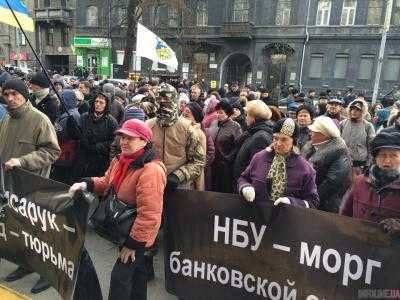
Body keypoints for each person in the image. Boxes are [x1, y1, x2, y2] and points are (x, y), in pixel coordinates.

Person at [69, 119, 166, 300]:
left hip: (137, 235)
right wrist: (86, 184)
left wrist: (132, 245)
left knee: (120, 280)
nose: (124, 142)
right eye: (122, 136)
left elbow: (150, 214)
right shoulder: (120, 160)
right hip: (125, 229)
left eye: (130, 138)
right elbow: (106, 183)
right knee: (137, 276)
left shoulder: (151, 170)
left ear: (144, 141)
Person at [0, 78, 61, 294]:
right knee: (21, 230)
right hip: (11, 186)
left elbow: (53, 152)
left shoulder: (40, 120)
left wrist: (22, 161)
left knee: (40, 233)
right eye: (6, 94)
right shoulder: (7, 118)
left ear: (25, 95)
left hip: (34, 186)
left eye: (15, 94)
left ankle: (48, 273)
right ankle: (26, 265)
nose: (10, 98)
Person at [237, 118, 319, 207]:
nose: (278, 143)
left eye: (284, 140)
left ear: (293, 142)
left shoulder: (304, 168)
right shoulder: (259, 157)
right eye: (275, 138)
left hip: (287, 218)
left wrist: (291, 202)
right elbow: (243, 178)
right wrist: (245, 187)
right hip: (257, 215)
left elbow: (313, 202)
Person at [340, 132, 400, 239]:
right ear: (375, 159)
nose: (387, 160)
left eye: (393, 156)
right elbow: (345, 213)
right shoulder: (360, 182)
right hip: (359, 245)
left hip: (391, 251)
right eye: (382, 155)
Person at [303, 116, 352, 213]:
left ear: (324, 134)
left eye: (313, 131)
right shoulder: (312, 146)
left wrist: (312, 199)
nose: (310, 133)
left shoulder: (340, 151)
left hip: (326, 204)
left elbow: (331, 183)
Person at [74, 92, 118, 179]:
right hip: (82, 157)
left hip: (99, 160)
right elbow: (77, 134)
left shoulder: (112, 122)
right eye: (96, 101)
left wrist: (99, 146)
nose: (97, 104)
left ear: (106, 105)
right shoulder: (84, 117)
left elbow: (114, 141)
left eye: (101, 102)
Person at [233, 100, 273, 186]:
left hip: (249, 188)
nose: (245, 117)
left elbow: (258, 169)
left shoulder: (261, 137)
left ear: (253, 118)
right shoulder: (253, 132)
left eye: (247, 115)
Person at [211, 99, 242, 193]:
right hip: (213, 165)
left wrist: (228, 159)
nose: (217, 115)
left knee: (224, 191)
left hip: (226, 168)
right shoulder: (214, 124)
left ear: (228, 114)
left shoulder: (235, 126)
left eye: (221, 113)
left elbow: (238, 147)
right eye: (217, 112)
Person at [182, 102, 215, 191]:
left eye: (187, 116)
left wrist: (200, 165)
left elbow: (210, 153)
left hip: (197, 172)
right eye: (183, 116)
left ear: (196, 118)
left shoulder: (203, 133)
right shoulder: (179, 129)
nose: (183, 119)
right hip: (181, 172)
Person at [51, 89, 82, 185]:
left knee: (59, 181)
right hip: (64, 156)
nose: (58, 103)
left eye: (60, 101)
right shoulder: (69, 114)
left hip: (64, 157)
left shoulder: (70, 116)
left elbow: (58, 135)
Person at [340, 99, 375, 178]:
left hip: (359, 165)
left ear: (362, 111)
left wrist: (368, 164)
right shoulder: (343, 123)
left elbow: (371, 146)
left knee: (355, 187)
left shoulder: (368, 126)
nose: (354, 111)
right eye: (352, 109)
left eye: (357, 109)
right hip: (342, 162)